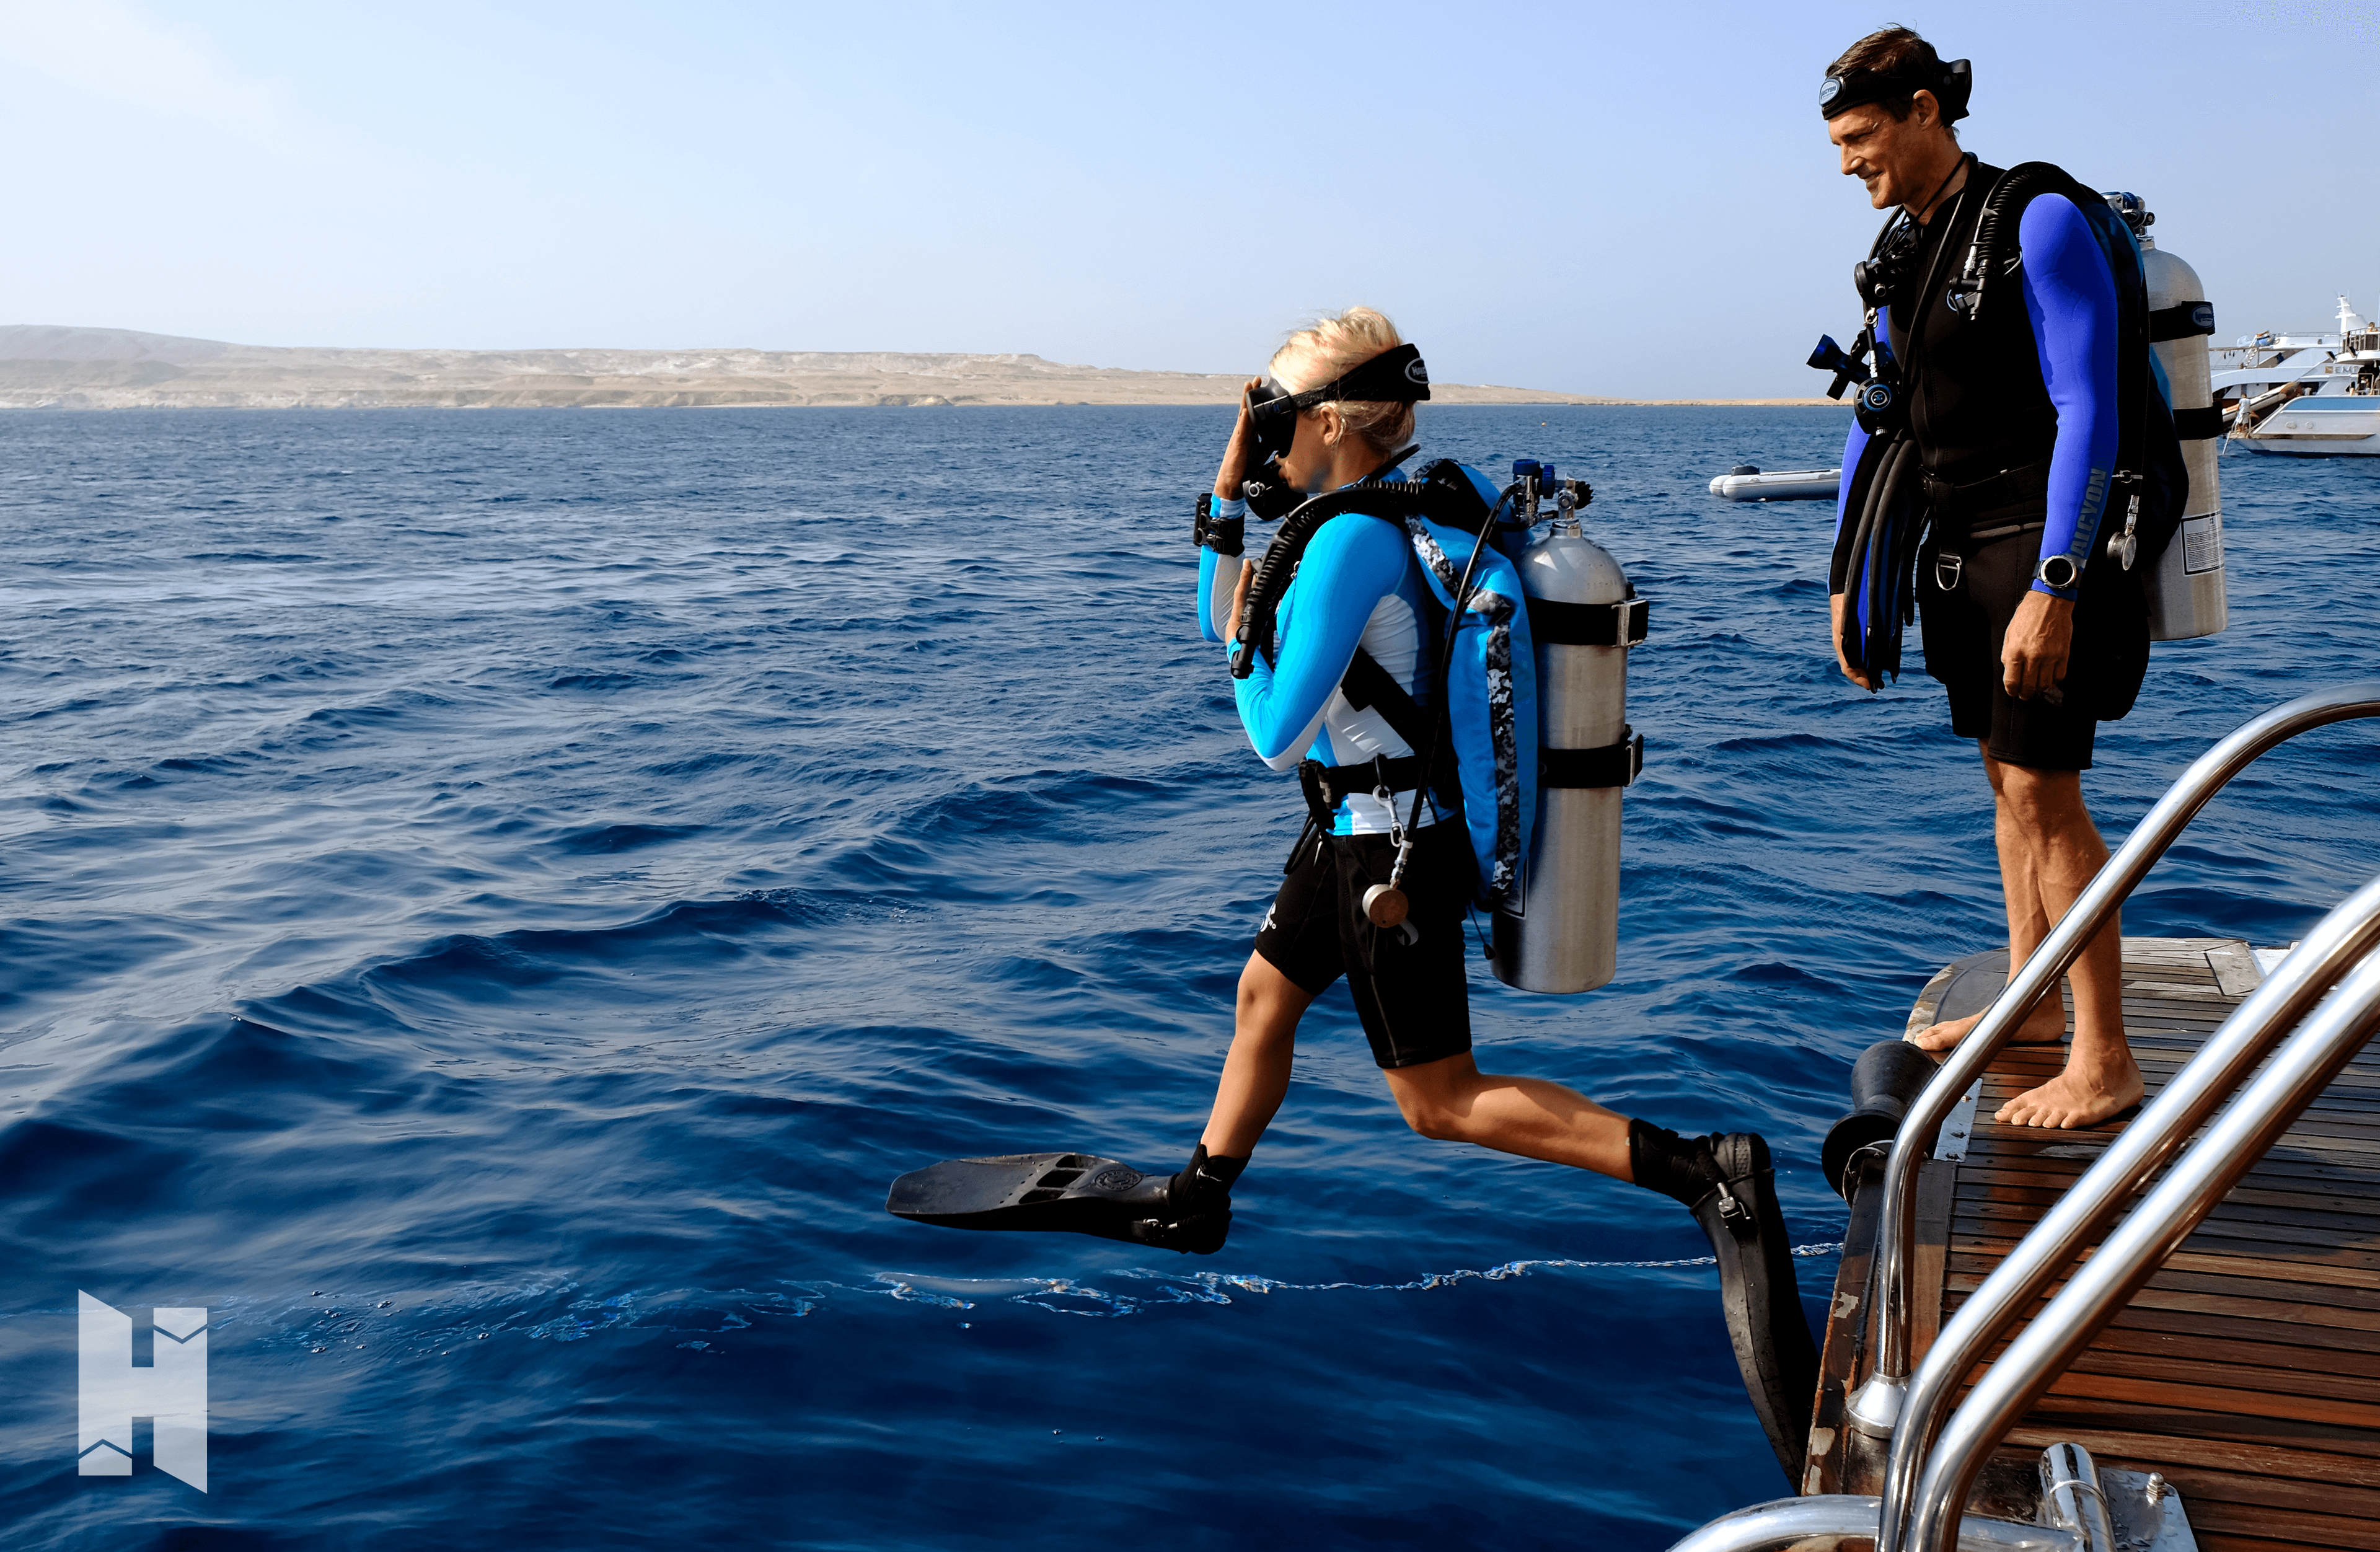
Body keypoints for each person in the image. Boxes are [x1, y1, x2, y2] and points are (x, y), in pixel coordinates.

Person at [1820, 28, 2148, 1129]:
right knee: (2007, 789)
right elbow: (1884, 421)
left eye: (1863, 137)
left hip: (2040, 538)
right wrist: (1848, 581)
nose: (1848, 162)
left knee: (2049, 800)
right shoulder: (1901, 257)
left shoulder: (2035, 219)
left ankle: (2104, 1057)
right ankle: (2032, 1009)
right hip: (1956, 545)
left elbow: (2090, 406)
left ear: (1926, 110)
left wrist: (2057, 583)